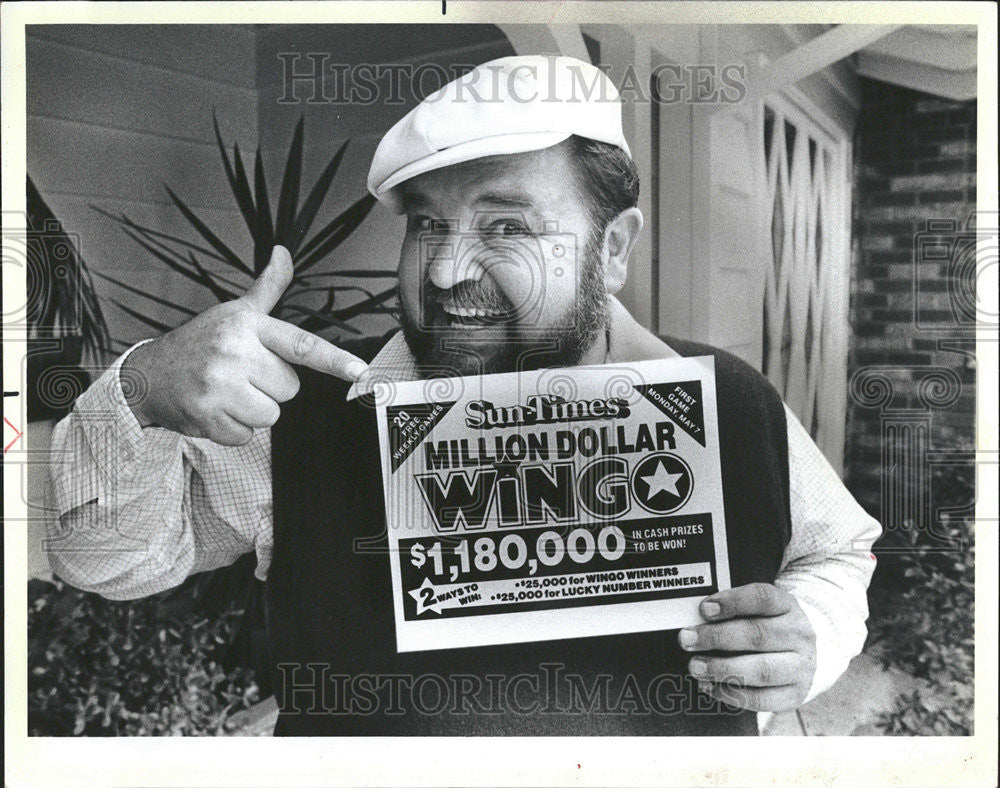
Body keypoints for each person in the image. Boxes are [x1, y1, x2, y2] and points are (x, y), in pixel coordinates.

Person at [48, 55, 880, 735]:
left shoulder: (731, 401)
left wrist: (810, 630)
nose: (446, 273)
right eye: (425, 225)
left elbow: (836, 553)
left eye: (507, 226)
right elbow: (100, 562)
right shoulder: (305, 428)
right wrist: (146, 389)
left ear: (613, 246)